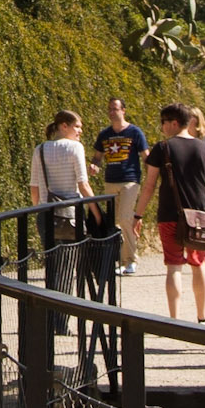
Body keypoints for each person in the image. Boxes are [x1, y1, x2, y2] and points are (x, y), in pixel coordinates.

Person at [133, 104, 205, 324]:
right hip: (199, 215)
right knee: (198, 263)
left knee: (174, 266)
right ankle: (201, 316)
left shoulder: (162, 148)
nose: (162, 127)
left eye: (163, 122)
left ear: (174, 122)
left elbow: (149, 185)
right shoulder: (204, 149)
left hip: (170, 213)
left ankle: (175, 320)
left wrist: (138, 215)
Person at [30, 111, 95, 322]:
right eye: (77, 127)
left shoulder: (39, 150)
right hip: (70, 214)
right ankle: (61, 319)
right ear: (64, 126)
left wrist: (38, 209)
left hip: (46, 212)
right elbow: (83, 184)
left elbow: (34, 187)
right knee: (67, 266)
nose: (80, 131)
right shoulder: (75, 148)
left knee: (52, 265)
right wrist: (96, 212)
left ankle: (50, 314)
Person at [91, 97, 149, 275]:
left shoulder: (135, 132)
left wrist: (151, 178)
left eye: (115, 108)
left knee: (124, 218)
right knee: (116, 222)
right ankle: (121, 259)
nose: (111, 112)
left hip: (130, 180)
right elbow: (97, 157)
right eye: (109, 109)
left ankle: (129, 260)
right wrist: (94, 166)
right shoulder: (104, 134)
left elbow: (146, 156)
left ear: (123, 110)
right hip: (110, 181)